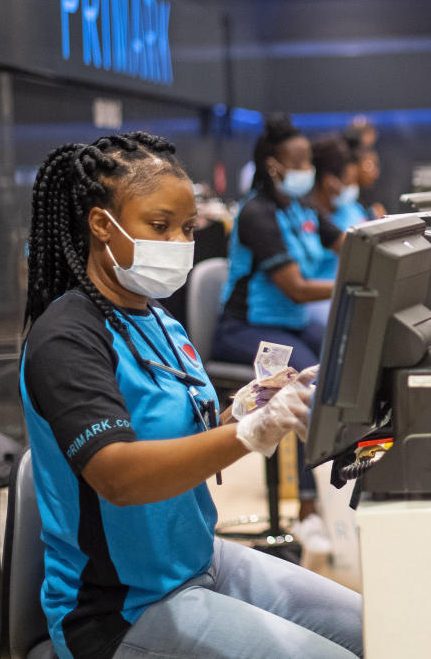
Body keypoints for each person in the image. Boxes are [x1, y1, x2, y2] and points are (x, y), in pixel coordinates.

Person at [20, 132, 363, 659]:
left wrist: (248, 407)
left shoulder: (159, 322)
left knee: (375, 628)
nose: (179, 243)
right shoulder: (66, 338)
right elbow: (120, 476)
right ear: (100, 225)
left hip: (200, 562)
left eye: (186, 228)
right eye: (160, 227)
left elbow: (189, 432)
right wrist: (249, 434)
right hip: (122, 610)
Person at [211, 114, 341, 538]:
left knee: (341, 352)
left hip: (289, 326)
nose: (308, 170)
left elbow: (348, 242)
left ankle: (350, 467)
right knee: (304, 378)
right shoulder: (256, 214)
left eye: (309, 161)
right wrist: (354, 280)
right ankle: (307, 507)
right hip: (244, 329)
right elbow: (297, 289)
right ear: (274, 165)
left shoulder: (299, 209)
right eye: (300, 161)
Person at [305, 134, 367, 329]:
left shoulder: (352, 209)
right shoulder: (307, 217)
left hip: (344, 293)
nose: (349, 188)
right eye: (346, 181)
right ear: (330, 182)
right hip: (319, 299)